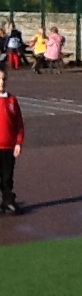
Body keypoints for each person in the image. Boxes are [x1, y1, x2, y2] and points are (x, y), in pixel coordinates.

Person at [0, 65, 25, 215]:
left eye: (3, 79)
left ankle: (8, 201)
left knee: (7, 177)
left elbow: (19, 124)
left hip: (8, 146)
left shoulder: (12, 100)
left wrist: (18, 142)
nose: (1, 82)